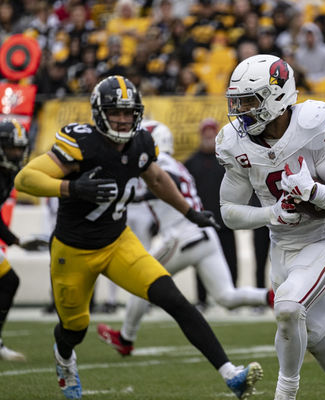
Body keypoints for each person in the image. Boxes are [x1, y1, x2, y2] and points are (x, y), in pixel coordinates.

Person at [14, 75, 262, 400]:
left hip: (118, 241)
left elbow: (157, 179)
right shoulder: (81, 143)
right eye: (115, 111)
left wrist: (189, 213)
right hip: (73, 249)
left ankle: (231, 374)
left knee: (175, 300)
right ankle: (64, 358)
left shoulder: (142, 143)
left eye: (128, 112)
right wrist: (72, 187)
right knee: (74, 329)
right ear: (99, 112)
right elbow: (25, 178)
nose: (122, 118)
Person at [217, 54, 325, 400]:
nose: (241, 111)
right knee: (317, 336)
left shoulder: (313, 124)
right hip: (282, 247)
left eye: (250, 101)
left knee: (288, 307)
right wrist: (271, 214)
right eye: (238, 102)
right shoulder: (235, 142)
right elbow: (228, 211)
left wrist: (316, 192)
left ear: (276, 97)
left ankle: (285, 394)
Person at [97, 119, 272, 355]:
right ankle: (272, 297)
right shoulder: (176, 163)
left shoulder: (161, 163)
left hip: (183, 234)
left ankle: (126, 338)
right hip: (204, 234)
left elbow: (171, 184)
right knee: (226, 297)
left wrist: (135, 198)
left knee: (142, 280)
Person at [184, 118, 238, 307]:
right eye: (205, 132)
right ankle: (202, 299)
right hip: (201, 222)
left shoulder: (226, 161)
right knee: (200, 262)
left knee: (231, 259)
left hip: (225, 220)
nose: (208, 136)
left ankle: (234, 299)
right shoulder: (190, 163)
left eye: (211, 132)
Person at [0, 119, 39, 361]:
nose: (16, 154)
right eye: (12, 148)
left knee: (8, 281)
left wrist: (16, 241)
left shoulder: (8, 172)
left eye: (19, 148)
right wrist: (15, 240)